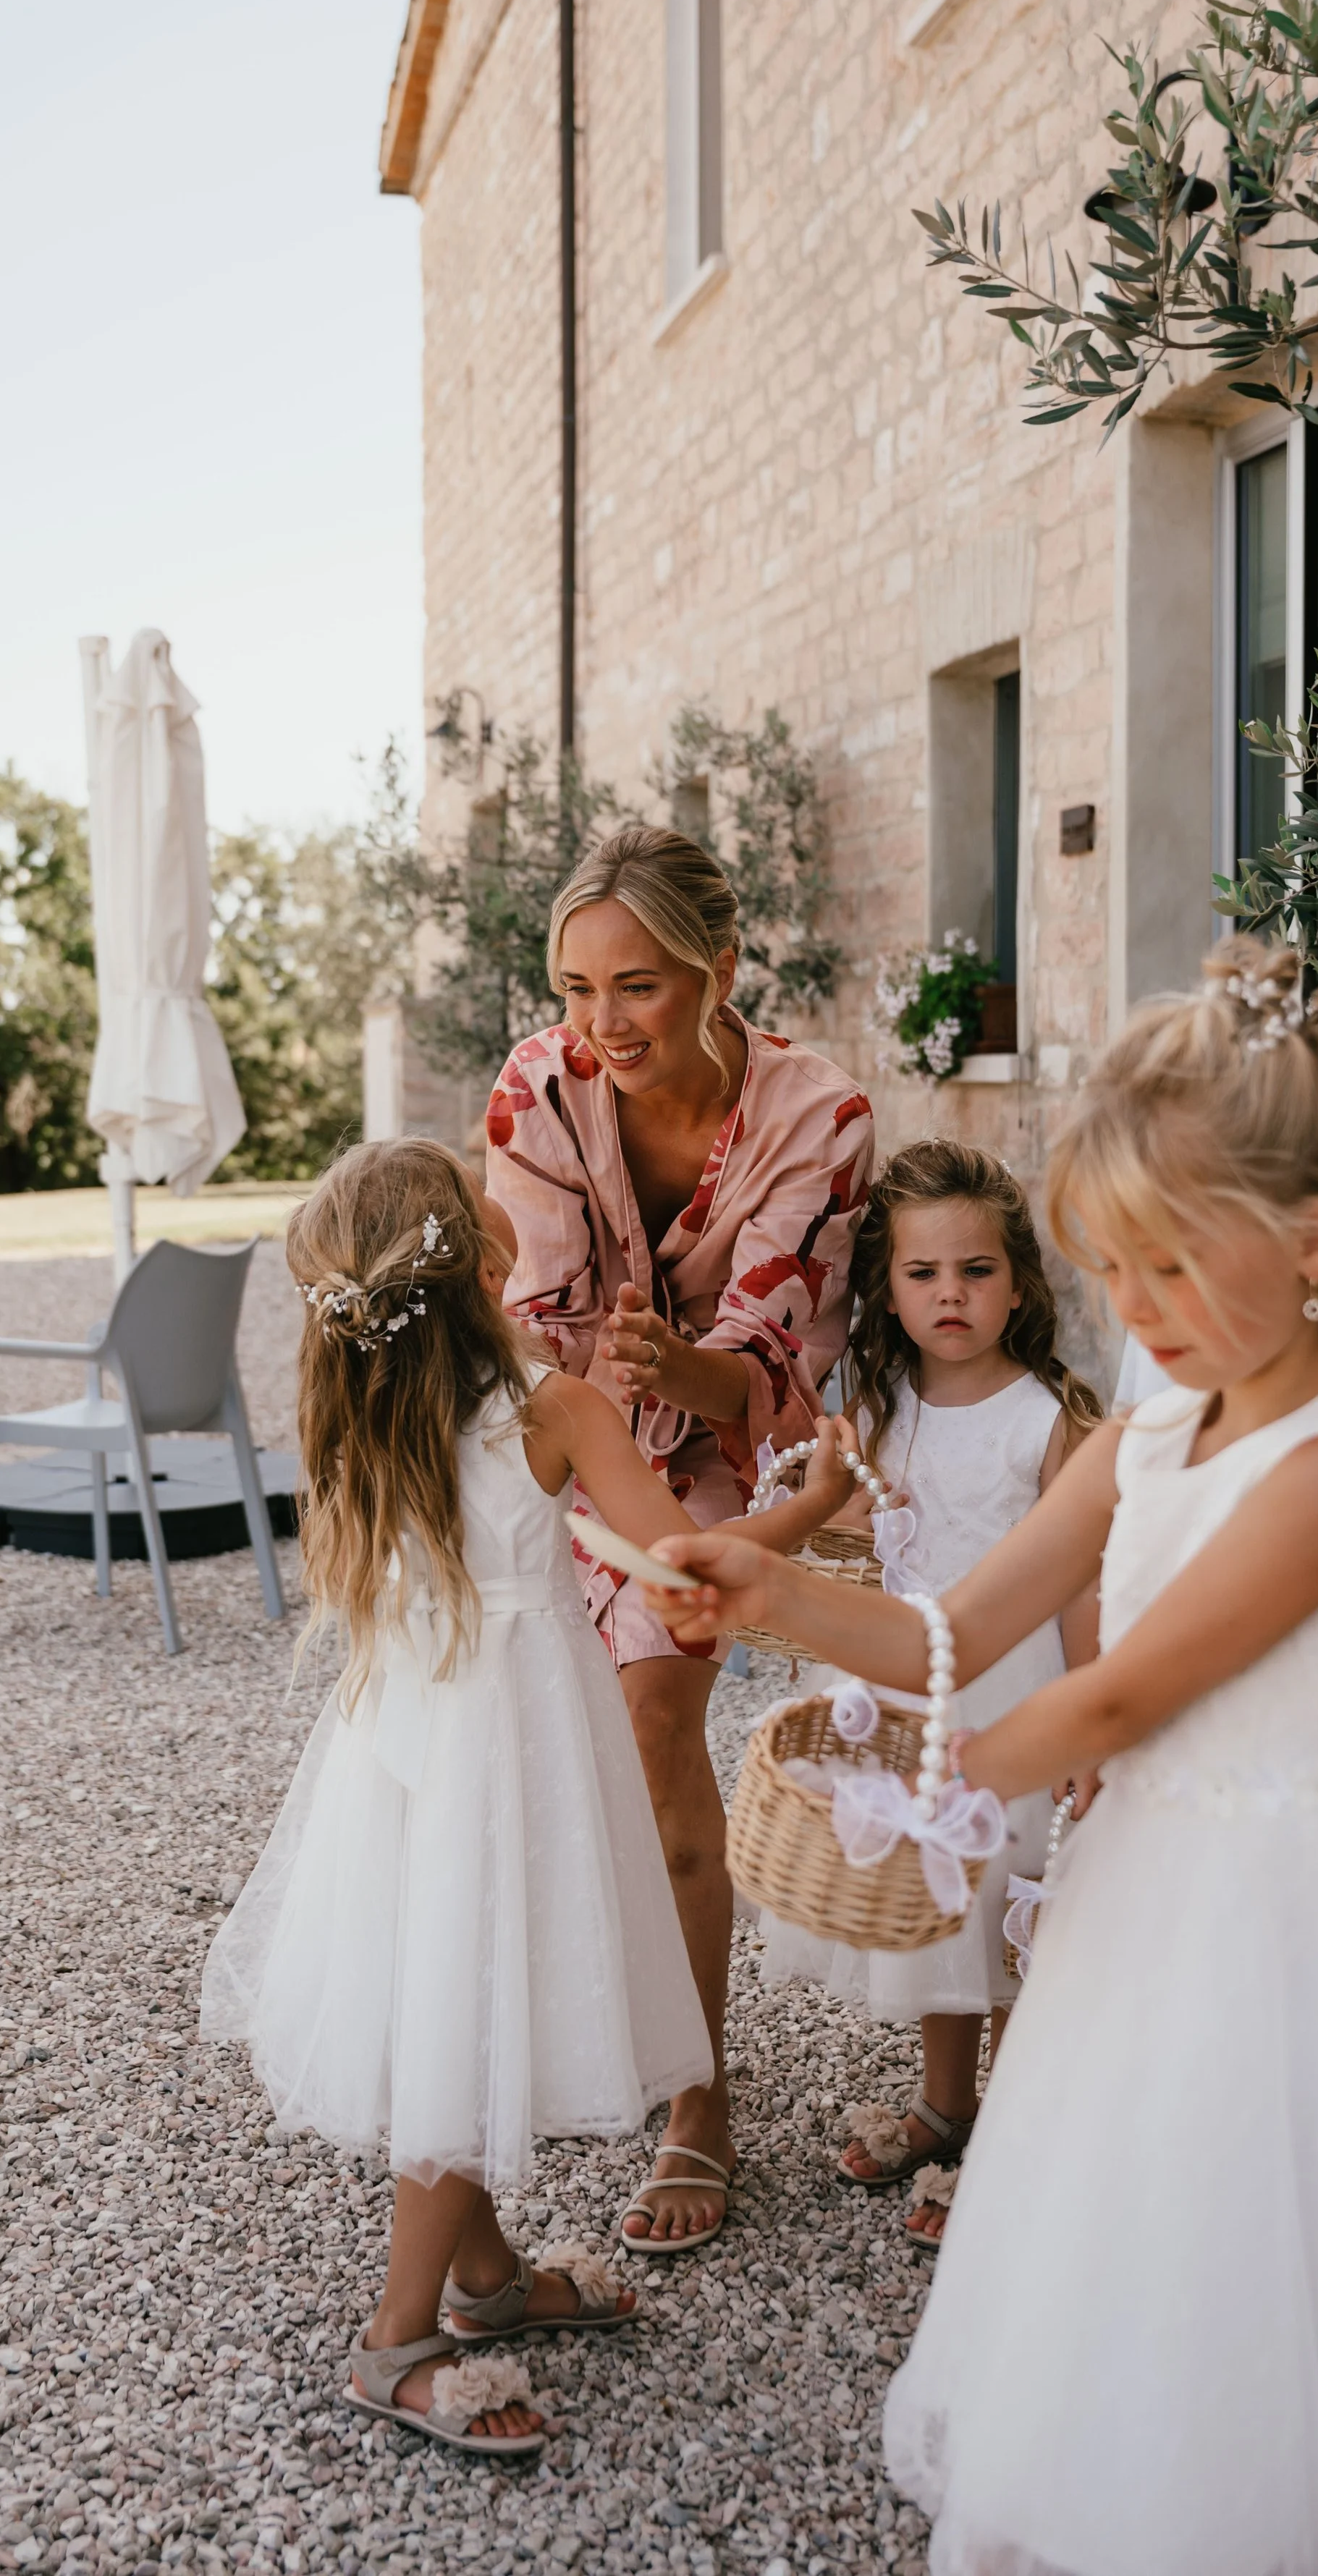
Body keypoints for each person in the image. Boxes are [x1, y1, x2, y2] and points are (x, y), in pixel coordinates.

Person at [647, 941, 1318, 2572]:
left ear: (1316, 1242)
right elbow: (960, 1621)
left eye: (1164, 1270)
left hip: (1293, 1913)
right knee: (1130, 2215)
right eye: (1108, 1271)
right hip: (1140, 1885)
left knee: (1276, 2222)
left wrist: (927, 1783)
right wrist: (767, 1585)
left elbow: (1120, 1699)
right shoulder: (1144, 1432)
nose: (1124, 1314)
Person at [200, 1137, 861, 2453]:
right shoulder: (554, 1407)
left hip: (404, 1741)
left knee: (448, 1989)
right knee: (468, 2000)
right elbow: (678, 1567)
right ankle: (396, 2343)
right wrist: (813, 1507)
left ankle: (488, 2284)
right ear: (482, 1253)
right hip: (512, 1743)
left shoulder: (363, 1398)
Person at [486, 824, 873, 2250]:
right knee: (523, 1735)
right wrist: (597, 1386)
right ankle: (569, 2032)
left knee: (652, 1725)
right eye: (577, 989)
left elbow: (767, 1364)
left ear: (718, 968)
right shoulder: (534, 1086)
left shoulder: (817, 1117)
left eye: (635, 986)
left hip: (713, 1446)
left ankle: (696, 2093)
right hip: (557, 1433)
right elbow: (530, 1323)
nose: (598, 1024)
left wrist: (678, 1367)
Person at [758, 1140, 1101, 2246]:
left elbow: (1082, 1580)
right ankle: (943, 2105)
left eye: (978, 1269)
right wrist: (845, 1496)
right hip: (909, 1699)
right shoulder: (880, 1406)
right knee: (933, 1906)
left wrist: (1092, 1714)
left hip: (1015, 1698)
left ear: (1020, 1281)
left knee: (1006, 1913)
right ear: (888, 1288)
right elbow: (869, 1542)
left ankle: (1012, 2127)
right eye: (923, 1274)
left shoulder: (1049, 1419)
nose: (951, 1293)